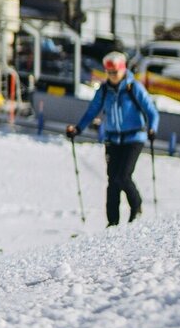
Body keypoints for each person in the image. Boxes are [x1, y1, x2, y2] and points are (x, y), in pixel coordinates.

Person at [66, 51, 160, 226]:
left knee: (123, 175)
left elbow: (151, 111)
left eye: (115, 72)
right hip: (113, 139)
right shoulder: (104, 90)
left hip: (134, 137)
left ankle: (136, 206)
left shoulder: (133, 88)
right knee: (112, 180)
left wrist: (152, 128)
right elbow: (92, 111)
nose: (112, 76)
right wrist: (78, 128)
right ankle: (112, 222)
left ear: (123, 70)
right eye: (109, 72)